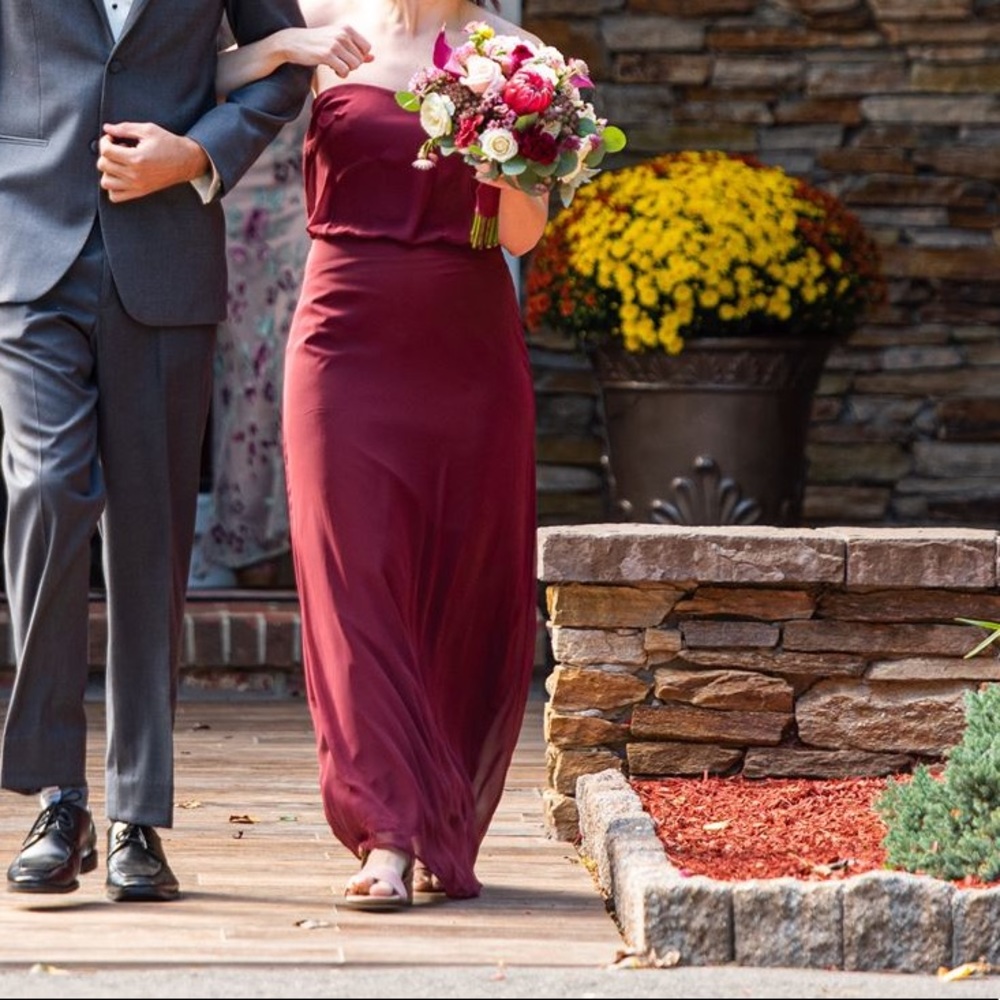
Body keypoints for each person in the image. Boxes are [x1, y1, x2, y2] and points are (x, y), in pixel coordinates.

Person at [217, 0, 548, 908]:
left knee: (457, 579)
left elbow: (523, 234)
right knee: (350, 576)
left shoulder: (520, 55)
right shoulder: (321, 20)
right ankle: (388, 834)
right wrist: (279, 46)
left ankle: (436, 811)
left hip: (466, 347)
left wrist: (501, 146)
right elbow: (176, 85)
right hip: (341, 338)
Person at [0, 3, 321, 902]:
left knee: (151, 537)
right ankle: (58, 800)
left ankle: (138, 815)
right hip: (28, 251)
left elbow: (283, 67)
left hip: (167, 251)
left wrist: (197, 154)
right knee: (48, 490)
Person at [187, 105, 312, 592]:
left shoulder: (338, 26)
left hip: (302, 212)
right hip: (214, 201)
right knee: (238, 380)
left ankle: (280, 552)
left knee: (281, 381)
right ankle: (245, 544)